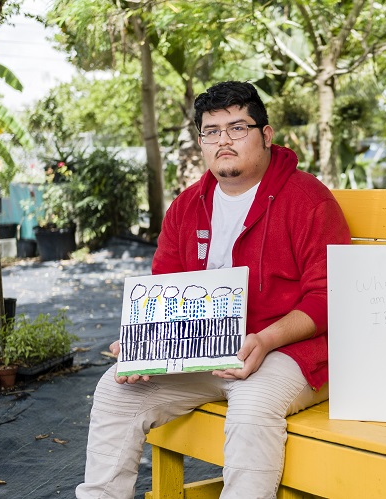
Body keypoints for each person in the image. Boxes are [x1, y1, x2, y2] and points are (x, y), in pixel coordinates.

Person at [76, 81, 351, 498]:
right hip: (203, 351)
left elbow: (330, 295)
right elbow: (166, 288)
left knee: (253, 403)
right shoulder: (186, 206)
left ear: (266, 134)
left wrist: (266, 338)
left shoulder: (307, 200)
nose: (224, 140)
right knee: (115, 388)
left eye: (238, 128)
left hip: (288, 351)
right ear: (201, 141)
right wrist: (142, 343)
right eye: (212, 131)